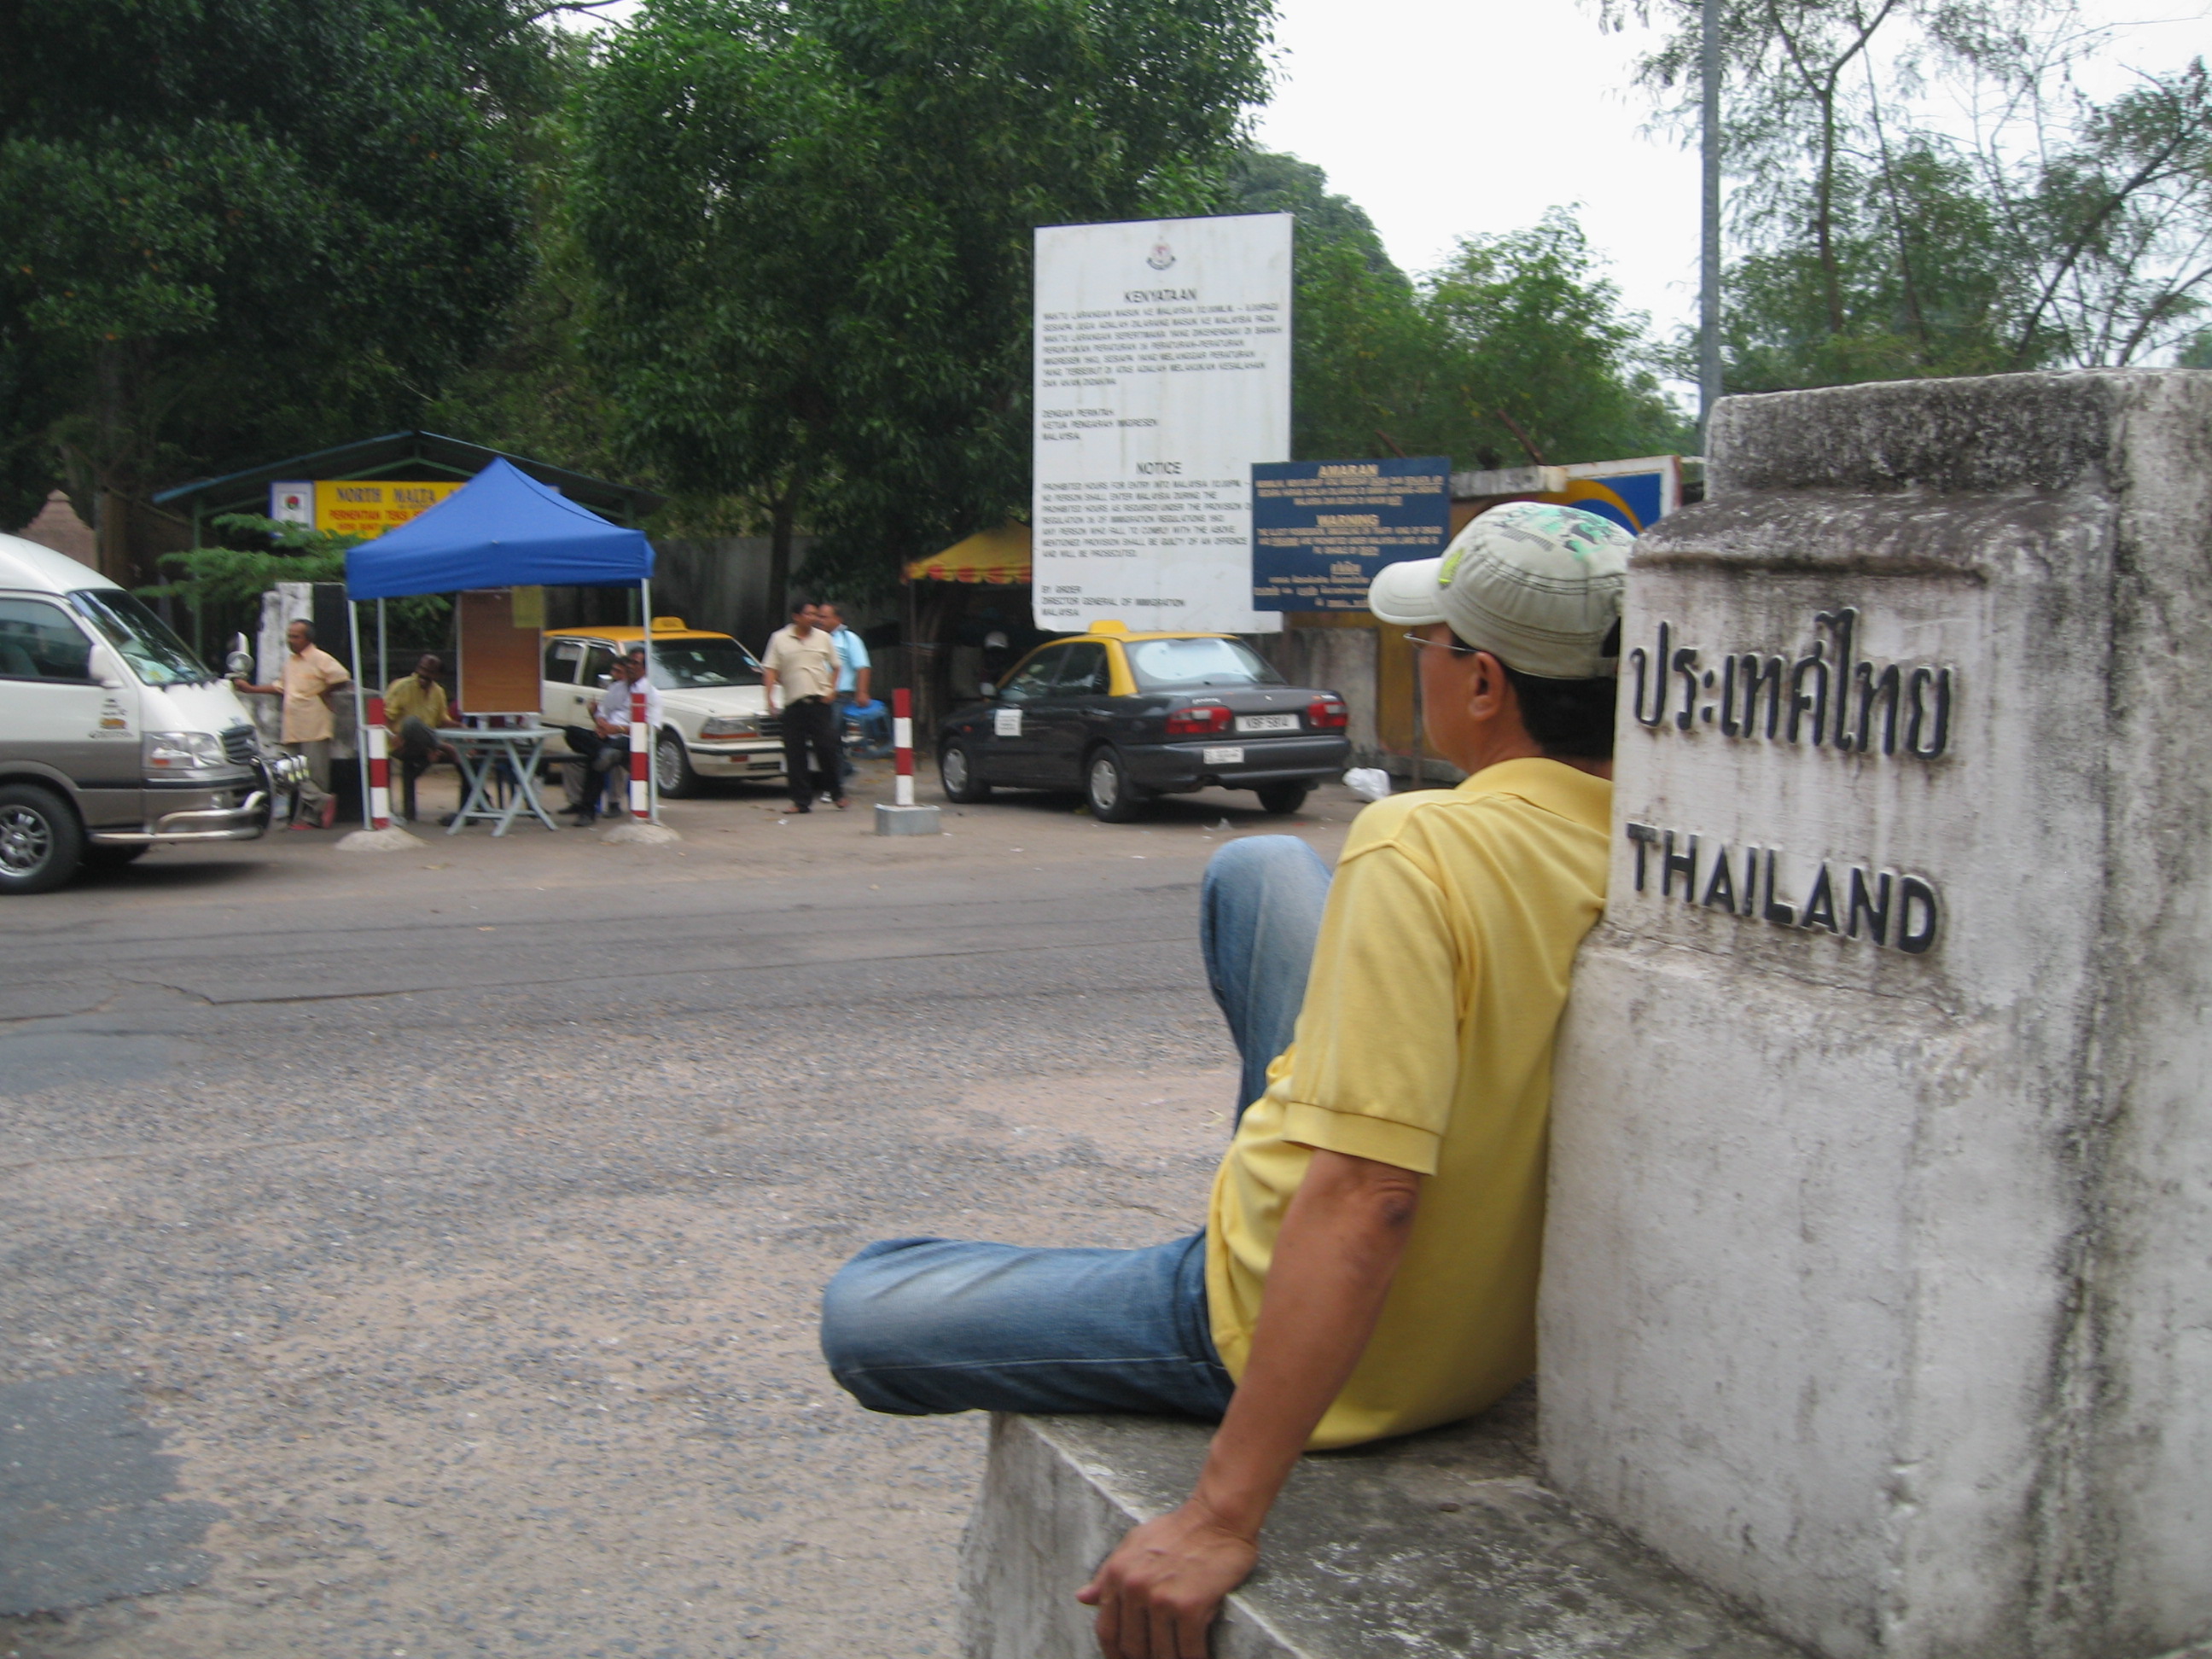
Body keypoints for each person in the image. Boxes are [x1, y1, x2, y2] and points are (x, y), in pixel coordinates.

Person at [818, 501, 1632, 1658]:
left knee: (864, 1308)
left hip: (1272, 1324)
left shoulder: (1423, 842)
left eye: (1431, 645)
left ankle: (1221, 1244)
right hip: (1481, 1343)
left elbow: (1370, 1199)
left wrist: (1220, 1514)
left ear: (1487, 684)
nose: (1422, 664)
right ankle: (1260, 1170)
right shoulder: (1650, 846)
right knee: (1260, 865)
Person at [232, 618, 350, 830]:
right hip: (293, 725)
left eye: (296, 637)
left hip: (314, 723)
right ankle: (321, 801)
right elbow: (280, 687)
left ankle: (313, 818)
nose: (291, 640)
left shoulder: (320, 658)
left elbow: (341, 677)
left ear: (307, 639)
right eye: (289, 636)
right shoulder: (291, 662)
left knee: (315, 774)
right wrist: (250, 689)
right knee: (288, 771)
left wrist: (325, 692)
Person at [760, 599, 845, 812]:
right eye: (809, 614)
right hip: (794, 704)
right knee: (795, 754)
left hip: (819, 703)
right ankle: (800, 801)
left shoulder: (823, 638)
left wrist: (832, 690)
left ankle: (837, 793)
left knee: (826, 748)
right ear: (796, 617)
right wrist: (769, 698)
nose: (814, 618)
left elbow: (836, 666)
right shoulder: (779, 639)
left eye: (816, 614)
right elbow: (770, 670)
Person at [564, 646, 663, 825]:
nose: (630, 666)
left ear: (645, 668)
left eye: (635, 663)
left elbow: (652, 728)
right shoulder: (617, 688)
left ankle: (587, 811)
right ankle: (605, 753)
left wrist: (617, 729)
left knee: (598, 759)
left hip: (629, 740)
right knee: (572, 732)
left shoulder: (651, 693)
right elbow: (603, 712)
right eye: (629, 662)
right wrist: (600, 723)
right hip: (607, 738)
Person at [381, 653, 455, 824]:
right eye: (421, 669)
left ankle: (470, 807)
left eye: (429, 672)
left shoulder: (438, 692)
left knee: (465, 755)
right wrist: (393, 736)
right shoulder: (402, 686)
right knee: (411, 723)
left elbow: (442, 721)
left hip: (426, 745)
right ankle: (439, 746)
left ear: (437, 676)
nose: (423, 674)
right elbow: (385, 716)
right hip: (400, 743)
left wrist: (463, 729)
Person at [817, 602, 874, 778]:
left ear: (837, 619)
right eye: (819, 616)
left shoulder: (849, 639)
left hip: (840, 697)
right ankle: (843, 769)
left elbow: (863, 667)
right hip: (819, 695)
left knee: (831, 736)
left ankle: (837, 778)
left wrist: (862, 692)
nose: (820, 620)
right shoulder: (816, 638)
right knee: (826, 738)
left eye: (824, 617)